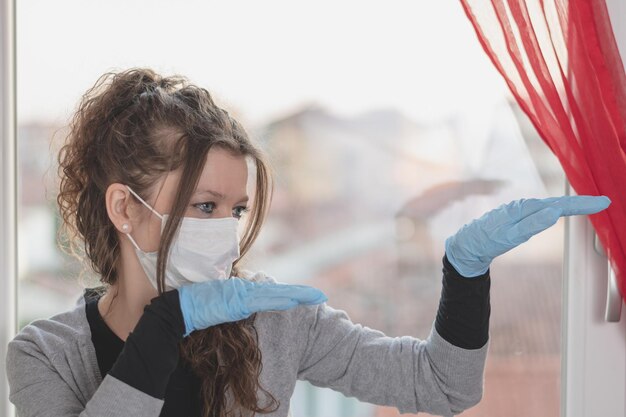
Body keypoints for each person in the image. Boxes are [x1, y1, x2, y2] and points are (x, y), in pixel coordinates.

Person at [5, 68, 610, 417]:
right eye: (204, 206)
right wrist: (165, 326)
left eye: (236, 209)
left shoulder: (274, 320)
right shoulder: (44, 356)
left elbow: (442, 385)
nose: (226, 229)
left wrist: (466, 271)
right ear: (123, 209)